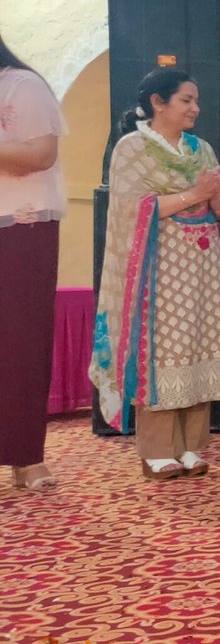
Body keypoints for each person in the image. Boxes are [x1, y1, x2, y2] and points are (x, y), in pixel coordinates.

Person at [91, 69, 220, 479]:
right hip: (158, 267)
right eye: (186, 100)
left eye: (196, 101)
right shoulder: (132, 148)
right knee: (163, 351)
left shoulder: (201, 148)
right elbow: (130, 209)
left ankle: (191, 446)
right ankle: (157, 449)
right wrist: (195, 193)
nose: (195, 108)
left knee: (202, 344)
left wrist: (218, 198)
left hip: (204, 265)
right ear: (158, 102)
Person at [0, 35, 66, 491]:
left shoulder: (22, 85)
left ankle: (25, 456)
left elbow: (42, 154)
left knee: (19, 342)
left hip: (20, 226)